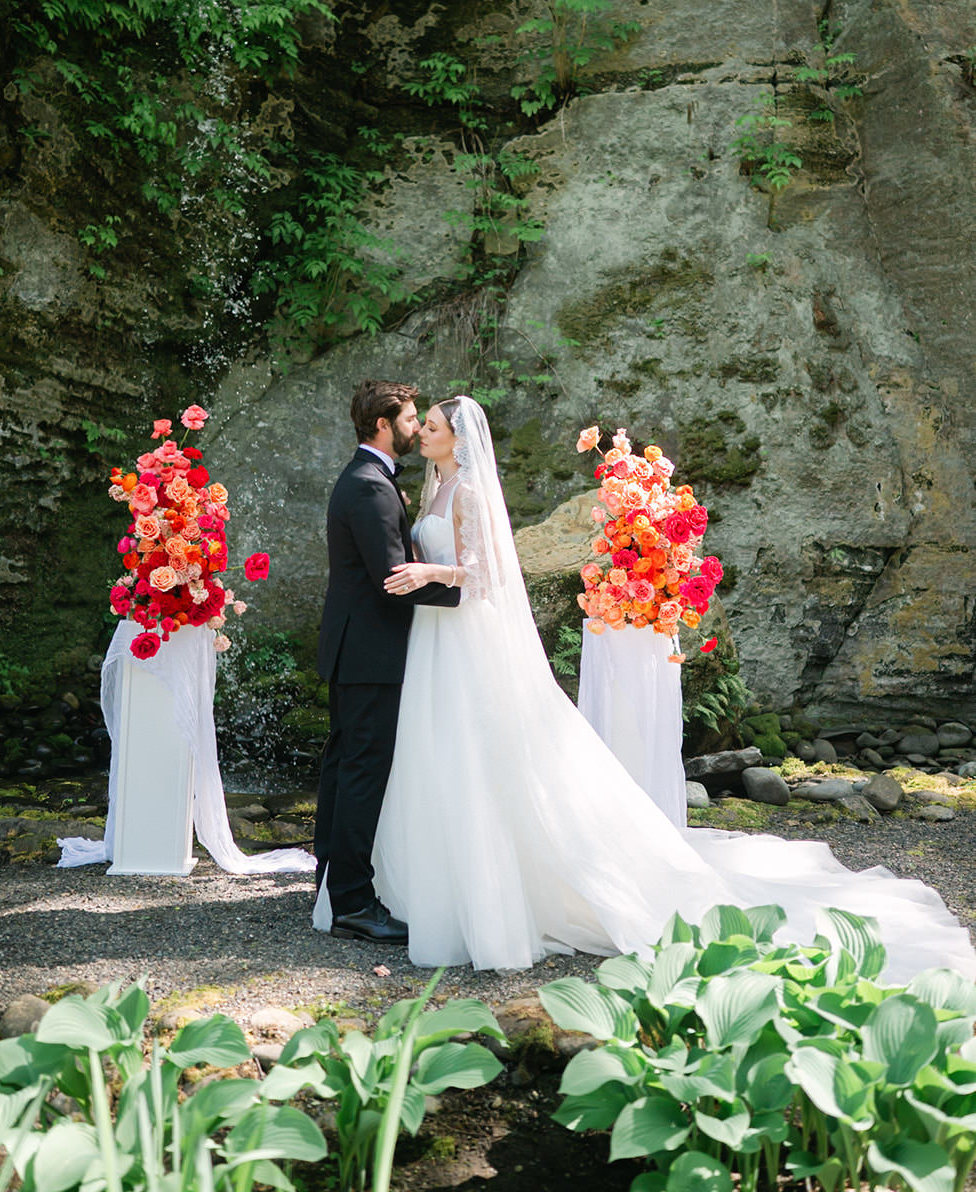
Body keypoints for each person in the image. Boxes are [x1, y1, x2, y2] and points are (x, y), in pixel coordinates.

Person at [313, 395, 976, 983]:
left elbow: (482, 573)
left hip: (460, 640)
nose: (420, 431)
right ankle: (419, 883)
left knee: (476, 755)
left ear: (457, 437)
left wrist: (429, 568)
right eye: (418, 423)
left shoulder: (469, 494)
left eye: (429, 425)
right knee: (431, 758)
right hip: (430, 642)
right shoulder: (428, 486)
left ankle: (484, 892)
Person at [313, 379, 461, 945]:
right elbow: (392, 581)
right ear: (382, 425)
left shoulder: (367, 479)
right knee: (361, 772)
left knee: (345, 765)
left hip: (359, 649)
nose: (416, 427)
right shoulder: (371, 488)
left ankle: (332, 884)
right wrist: (465, 595)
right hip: (371, 652)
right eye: (409, 419)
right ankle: (352, 901)